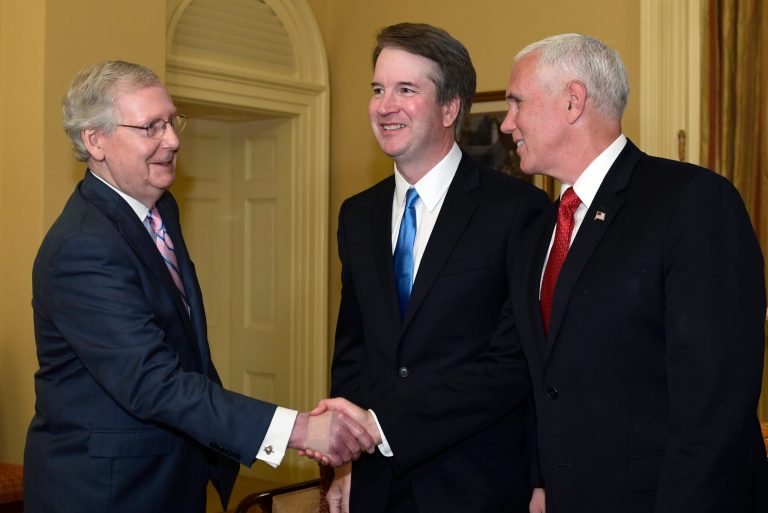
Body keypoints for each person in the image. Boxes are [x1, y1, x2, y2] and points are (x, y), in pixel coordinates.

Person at [24, 60, 374, 513]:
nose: (172, 140)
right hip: (107, 492)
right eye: (150, 127)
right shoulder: (82, 248)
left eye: (171, 121)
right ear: (95, 140)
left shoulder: (157, 210)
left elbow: (187, 353)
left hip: (169, 478)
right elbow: (153, 382)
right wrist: (300, 429)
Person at [499, 33, 767, 513]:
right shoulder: (540, 228)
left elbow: (714, 403)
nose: (506, 123)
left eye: (516, 102)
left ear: (572, 101)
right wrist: (540, 482)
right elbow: (543, 378)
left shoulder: (692, 202)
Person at [315, 23, 550, 513]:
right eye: (378, 90)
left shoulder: (516, 210)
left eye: (406, 90)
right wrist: (347, 460)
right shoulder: (357, 214)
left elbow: (514, 363)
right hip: (377, 481)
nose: (385, 105)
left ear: (450, 108)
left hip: (476, 482)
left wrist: (541, 482)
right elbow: (353, 349)